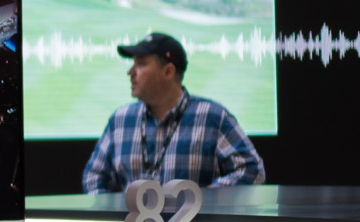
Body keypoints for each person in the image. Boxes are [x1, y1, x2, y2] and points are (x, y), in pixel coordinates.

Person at [83, 32, 264, 194]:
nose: (130, 72)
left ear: (168, 71)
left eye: (141, 64)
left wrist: (204, 200)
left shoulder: (212, 117)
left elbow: (252, 170)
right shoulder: (120, 120)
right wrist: (112, 213)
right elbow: (93, 177)